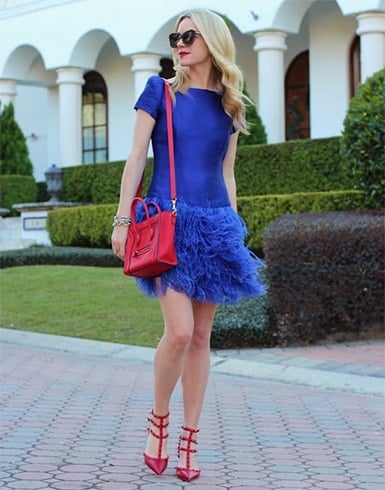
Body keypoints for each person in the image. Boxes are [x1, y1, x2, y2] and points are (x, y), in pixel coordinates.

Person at [111, 8, 265, 482]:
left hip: (216, 225)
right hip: (168, 223)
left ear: (212, 41)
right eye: (176, 36)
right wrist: (121, 218)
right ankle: (159, 420)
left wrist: (233, 230)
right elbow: (137, 156)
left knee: (201, 338)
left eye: (189, 35)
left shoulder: (231, 104)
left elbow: (226, 172)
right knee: (178, 333)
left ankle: (189, 439)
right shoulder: (159, 91)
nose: (179, 42)